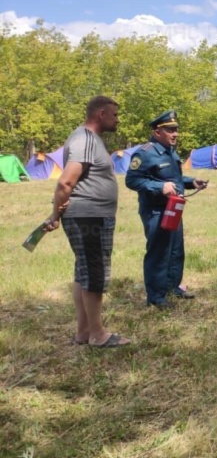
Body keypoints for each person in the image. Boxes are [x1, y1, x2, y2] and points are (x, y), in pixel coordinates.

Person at [44, 96, 130, 347]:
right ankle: (98, 335)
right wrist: (54, 214)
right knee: (93, 272)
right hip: (88, 217)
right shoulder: (85, 139)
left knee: (83, 273)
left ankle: (83, 332)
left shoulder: (88, 138)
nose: (117, 120)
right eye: (114, 115)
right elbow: (66, 181)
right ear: (101, 114)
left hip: (89, 216)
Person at [125, 110, 208, 309]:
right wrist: (159, 188)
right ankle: (156, 297)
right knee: (159, 252)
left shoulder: (170, 151)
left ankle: (172, 287)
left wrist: (191, 182)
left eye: (176, 129)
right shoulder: (144, 153)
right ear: (157, 132)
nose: (175, 134)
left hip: (174, 208)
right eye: (170, 130)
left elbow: (173, 179)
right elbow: (132, 180)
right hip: (155, 211)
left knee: (176, 250)